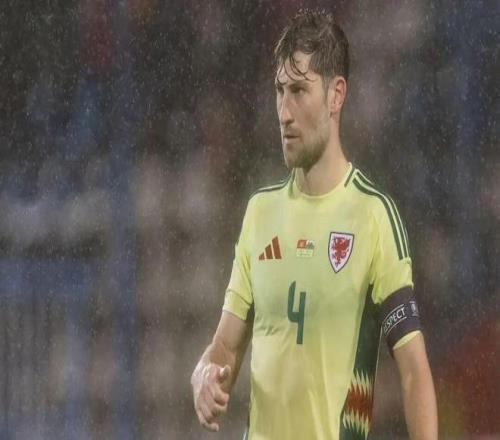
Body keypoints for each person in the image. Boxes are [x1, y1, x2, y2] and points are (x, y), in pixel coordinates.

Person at [191, 9, 438, 440]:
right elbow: (225, 347)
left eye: (299, 91)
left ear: (336, 95)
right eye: (279, 91)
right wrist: (204, 375)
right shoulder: (260, 213)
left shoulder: (373, 216)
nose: (284, 112)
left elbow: (414, 372)